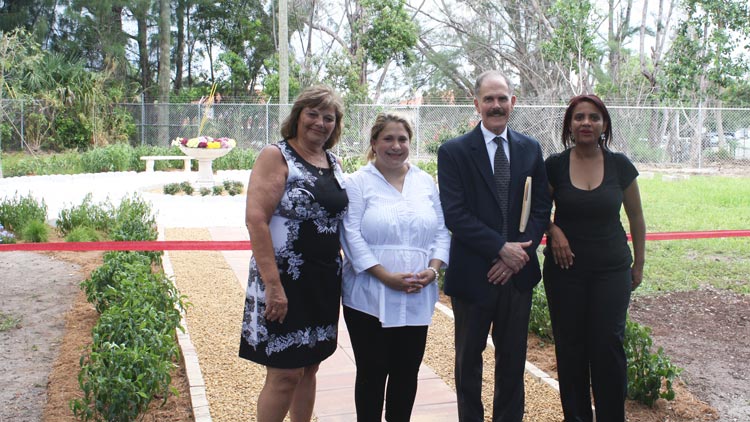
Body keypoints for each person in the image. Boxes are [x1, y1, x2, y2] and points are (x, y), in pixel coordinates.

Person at [437, 70, 552, 421]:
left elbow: (541, 207)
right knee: (468, 363)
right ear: (477, 104)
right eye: (489, 99)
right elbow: (455, 215)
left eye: (502, 98)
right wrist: (501, 249)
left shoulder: (530, 148)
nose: (496, 105)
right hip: (475, 274)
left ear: (513, 102)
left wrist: (517, 255)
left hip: (517, 276)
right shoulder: (454, 152)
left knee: (513, 363)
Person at [239, 85, 348, 421]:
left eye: (328, 117)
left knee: (310, 366)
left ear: (335, 125)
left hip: (323, 281)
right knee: (284, 373)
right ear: (298, 116)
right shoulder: (277, 155)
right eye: (312, 113)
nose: (320, 122)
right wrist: (273, 286)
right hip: (283, 281)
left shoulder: (333, 161)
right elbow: (256, 220)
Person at [340, 112, 451, 421]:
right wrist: (384, 276)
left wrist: (433, 269)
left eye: (402, 139)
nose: (396, 145)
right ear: (374, 143)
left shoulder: (424, 181)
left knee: (406, 372)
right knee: (372, 372)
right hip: (368, 296)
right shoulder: (358, 182)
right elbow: (350, 233)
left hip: (417, 293)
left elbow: (442, 230)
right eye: (387, 138)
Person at [543, 94, 645, 421]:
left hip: (611, 271)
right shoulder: (554, 166)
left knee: (607, 347)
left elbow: (637, 218)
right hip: (565, 272)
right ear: (569, 126)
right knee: (570, 349)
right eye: (579, 117)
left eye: (594, 117)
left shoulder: (620, 165)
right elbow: (537, 211)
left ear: (604, 125)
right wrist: (553, 230)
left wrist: (638, 264)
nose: (586, 123)